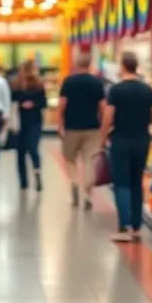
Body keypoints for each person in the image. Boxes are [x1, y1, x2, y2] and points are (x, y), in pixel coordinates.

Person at [99, 51, 152, 243]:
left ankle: (124, 227)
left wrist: (101, 139)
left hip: (121, 141)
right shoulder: (148, 90)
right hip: (142, 141)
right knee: (136, 182)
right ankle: (136, 227)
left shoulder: (116, 90)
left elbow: (108, 117)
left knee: (121, 183)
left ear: (122, 66)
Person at [58, 51, 105, 209]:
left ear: (76, 64)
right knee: (90, 160)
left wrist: (60, 125)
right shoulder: (97, 83)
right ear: (90, 64)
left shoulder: (68, 82)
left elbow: (62, 105)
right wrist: (104, 128)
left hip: (71, 128)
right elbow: (103, 108)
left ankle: (75, 183)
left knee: (70, 160)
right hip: (92, 128)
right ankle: (87, 194)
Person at [11, 59, 47, 192]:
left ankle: (37, 173)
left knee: (32, 148)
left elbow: (43, 103)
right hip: (19, 122)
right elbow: (12, 102)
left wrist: (33, 104)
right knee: (20, 152)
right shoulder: (16, 85)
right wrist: (20, 105)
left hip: (34, 121)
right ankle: (23, 181)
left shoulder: (38, 85)